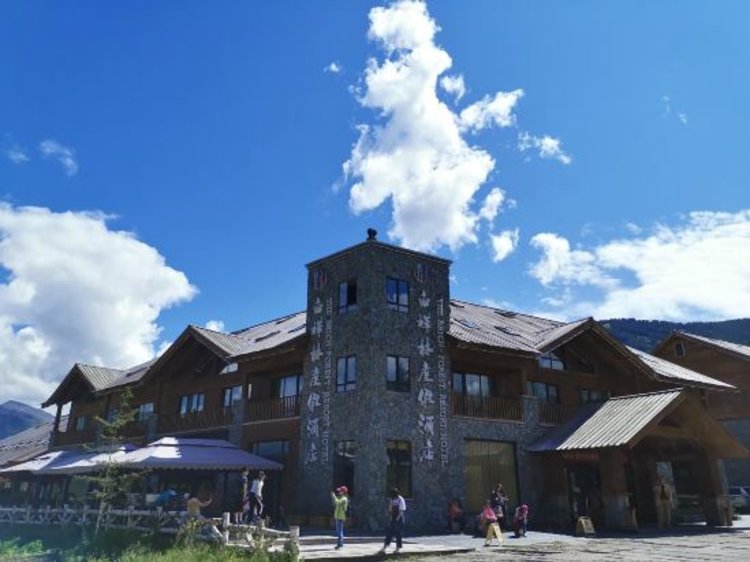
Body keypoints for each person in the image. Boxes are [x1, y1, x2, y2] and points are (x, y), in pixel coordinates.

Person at [379, 487, 406, 554]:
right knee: (389, 533)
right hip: (393, 517)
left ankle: (397, 548)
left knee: (398, 534)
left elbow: (401, 510)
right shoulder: (392, 499)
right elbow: (390, 510)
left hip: (399, 518)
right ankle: (384, 548)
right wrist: (391, 503)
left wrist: (397, 519)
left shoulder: (400, 499)